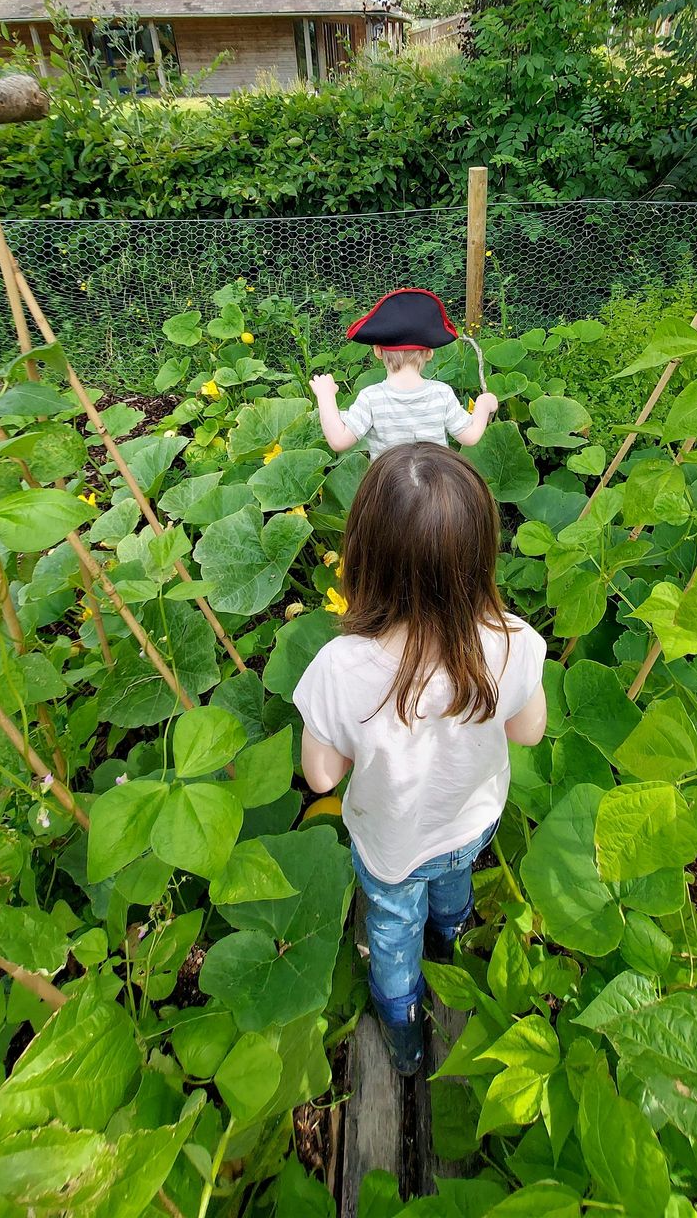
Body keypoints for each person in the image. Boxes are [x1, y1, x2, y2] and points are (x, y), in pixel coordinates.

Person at [292, 443, 547, 1074]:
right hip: (469, 823)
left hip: (391, 847)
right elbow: (530, 732)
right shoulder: (514, 642)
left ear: (364, 558)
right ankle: (450, 941)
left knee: (389, 930)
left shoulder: (341, 667)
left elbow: (321, 775)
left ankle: (404, 1037)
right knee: (451, 886)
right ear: (480, 555)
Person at [310, 287, 498, 459]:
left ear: (377, 351)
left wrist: (325, 395)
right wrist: (483, 404)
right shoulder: (441, 394)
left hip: (390, 489)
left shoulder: (371, 398)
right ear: (429, 353)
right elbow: (470, 436)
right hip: (435, 487)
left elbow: (338, 440)